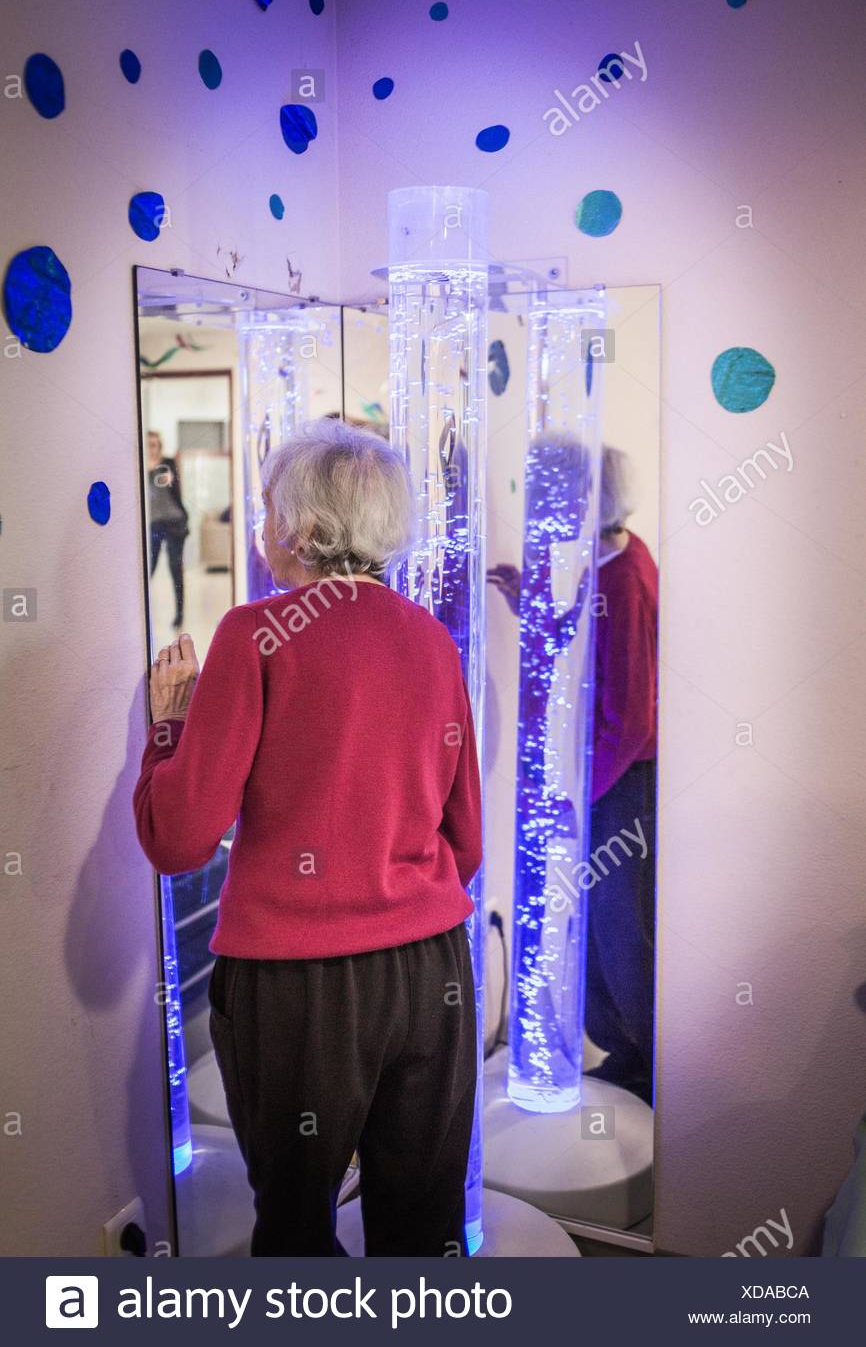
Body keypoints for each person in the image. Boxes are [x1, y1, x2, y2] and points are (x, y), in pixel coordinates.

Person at [134, 418, 482, 1257]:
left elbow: (179, 840)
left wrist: (169, 727)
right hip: (431, 971)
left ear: (302, 525)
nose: (261, 524)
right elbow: (465, 841)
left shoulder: (253, 635)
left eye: (267, 506)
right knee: (424, 1231)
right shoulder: (432, 640)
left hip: (297, 987)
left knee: (296, 1233)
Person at [488, 445, 658, 1104]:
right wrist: (529, 603)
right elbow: (578, 640)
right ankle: (627, 1056)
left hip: (622, 783)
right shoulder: (609, 565)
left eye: (551, 494)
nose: (541, 509)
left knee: (619, 928)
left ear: (587, 499)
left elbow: (631, 720)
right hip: (609, 779)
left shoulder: (626, 580)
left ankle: (645, 1066)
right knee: (602, 923)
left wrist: (581, 798)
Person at [147, 431, 189, 630]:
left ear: (160, 446)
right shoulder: (138, 466)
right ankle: (139, 608)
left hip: (174, 521)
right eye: (148, 444)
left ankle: (179, 614)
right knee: (149, 567)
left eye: (155, 444)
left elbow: (174, 480)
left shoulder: (168, 464)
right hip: (154, 523)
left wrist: (171, 476)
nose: (152, 448)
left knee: (175, 568)